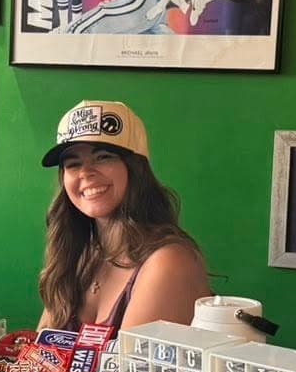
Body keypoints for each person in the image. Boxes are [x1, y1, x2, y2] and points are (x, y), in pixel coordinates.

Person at [36, 100, 209, 333]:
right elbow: (40, 353)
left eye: (103, 157)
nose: (86, 173)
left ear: (136, 168)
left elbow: (127, 370)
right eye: (73, 164)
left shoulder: (168, 261)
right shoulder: (77, 253)